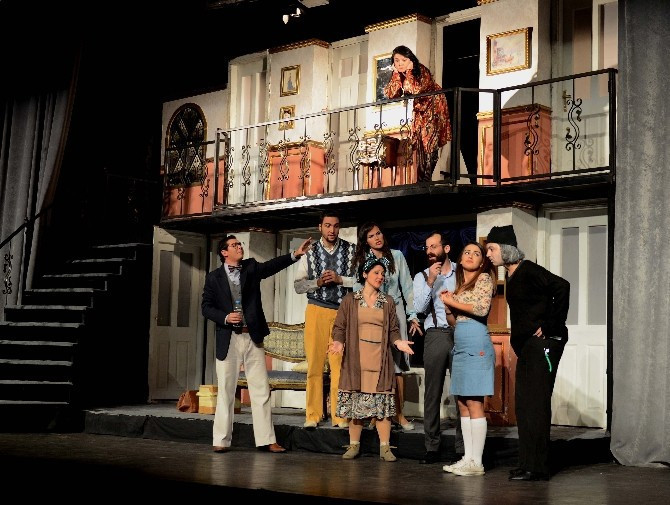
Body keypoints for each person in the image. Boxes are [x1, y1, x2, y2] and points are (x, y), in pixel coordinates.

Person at [202, 234, 312, 453]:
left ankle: (266, 440)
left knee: (261, 390)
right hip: (229, 339)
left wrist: (294, 255)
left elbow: (270, 267)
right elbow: (206, 307)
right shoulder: (214, 278)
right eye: (234, 245)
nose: (239, 247)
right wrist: (225, 317)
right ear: (224, 252)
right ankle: (221, 440)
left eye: (239, 244)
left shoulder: (250, 268)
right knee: (226, 390)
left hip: (252, 336)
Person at [485, 225, 570, 481]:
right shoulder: (511, 275)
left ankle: (538, 467)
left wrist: (551, 325)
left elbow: (562, 286)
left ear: (505, 249)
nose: (488, 254)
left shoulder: (529, 270)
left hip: (542, 346)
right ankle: (526, 463)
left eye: (492, 249)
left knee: (536, 405)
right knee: (524, 406)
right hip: (527, 348)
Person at [329, 257, 415, 462]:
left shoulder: (388, 301)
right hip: (356, 361)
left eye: (383, 274)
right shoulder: (350, 300)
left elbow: (393, 330)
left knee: (382, 407)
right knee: (356, 406)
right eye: (376, 273)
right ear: (365, 274)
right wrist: (339, 342)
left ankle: (385, 447)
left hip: (380, 360)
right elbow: (340, 326)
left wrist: (398, 342)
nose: (380, 277)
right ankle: (354, 445)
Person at [353, 221, 420, 431]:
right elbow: (356, 288)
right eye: (371, 236)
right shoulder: (362, 260)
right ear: (365, 241)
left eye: (379, 233)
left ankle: (398, 414)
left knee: (397, 367)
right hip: (373, 313)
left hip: (395, 310)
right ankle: (376, 414)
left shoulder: (396, 256)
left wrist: (412, 314)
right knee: (375, 365)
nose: (377, 238)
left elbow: (408, 287)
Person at [294, 211, 357, 429]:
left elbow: (360, 281)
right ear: (320, 227)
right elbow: (298, 286)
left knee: (340, 365)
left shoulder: (351, 250)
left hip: (341, 311)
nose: (332, 230)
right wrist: (318, 283)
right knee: (315, 364)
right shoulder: (310, 252)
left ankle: (340, 415)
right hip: (316, 310)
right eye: (328, 225)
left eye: (336, 226)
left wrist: (340, 279)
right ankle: (313, 414)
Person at [439, 241, 497, 476]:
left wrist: (452, 301)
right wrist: (448, 307)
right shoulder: (460, 285)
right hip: (461, 343)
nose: (471, 256)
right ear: (460, 259)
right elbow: (454, 322)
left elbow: (481, 310)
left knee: (474, 402)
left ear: (482, 262)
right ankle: (468, 458)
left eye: (476, 253)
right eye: (467, 252)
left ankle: (477, 462)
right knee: (463, 403)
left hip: (476, 343)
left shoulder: (484, 279)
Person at [413, 231, 463, 464]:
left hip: (460, 333)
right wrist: (431, 281)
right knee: (433, 392)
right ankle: (431, 447)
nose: (429, 251)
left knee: (462, 392)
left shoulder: (462, 272)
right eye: (427, 248)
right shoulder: (422, 276)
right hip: (436, 334)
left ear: (446, 248)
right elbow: (419, 308)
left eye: (434, 246)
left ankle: (463, 447)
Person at [384, 45, 452, 182]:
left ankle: (426, 179)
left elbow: (414, 89)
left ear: (410, 59)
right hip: (420, 111)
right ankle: (422, 181)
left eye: (403, 60)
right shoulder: (400, 73)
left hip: (433, 107)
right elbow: (391, 93)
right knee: (419, 144)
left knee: (429, 142)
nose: (400, 63)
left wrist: (409, 71)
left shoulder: (421, 70)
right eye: (396, 60)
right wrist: (396, 74)